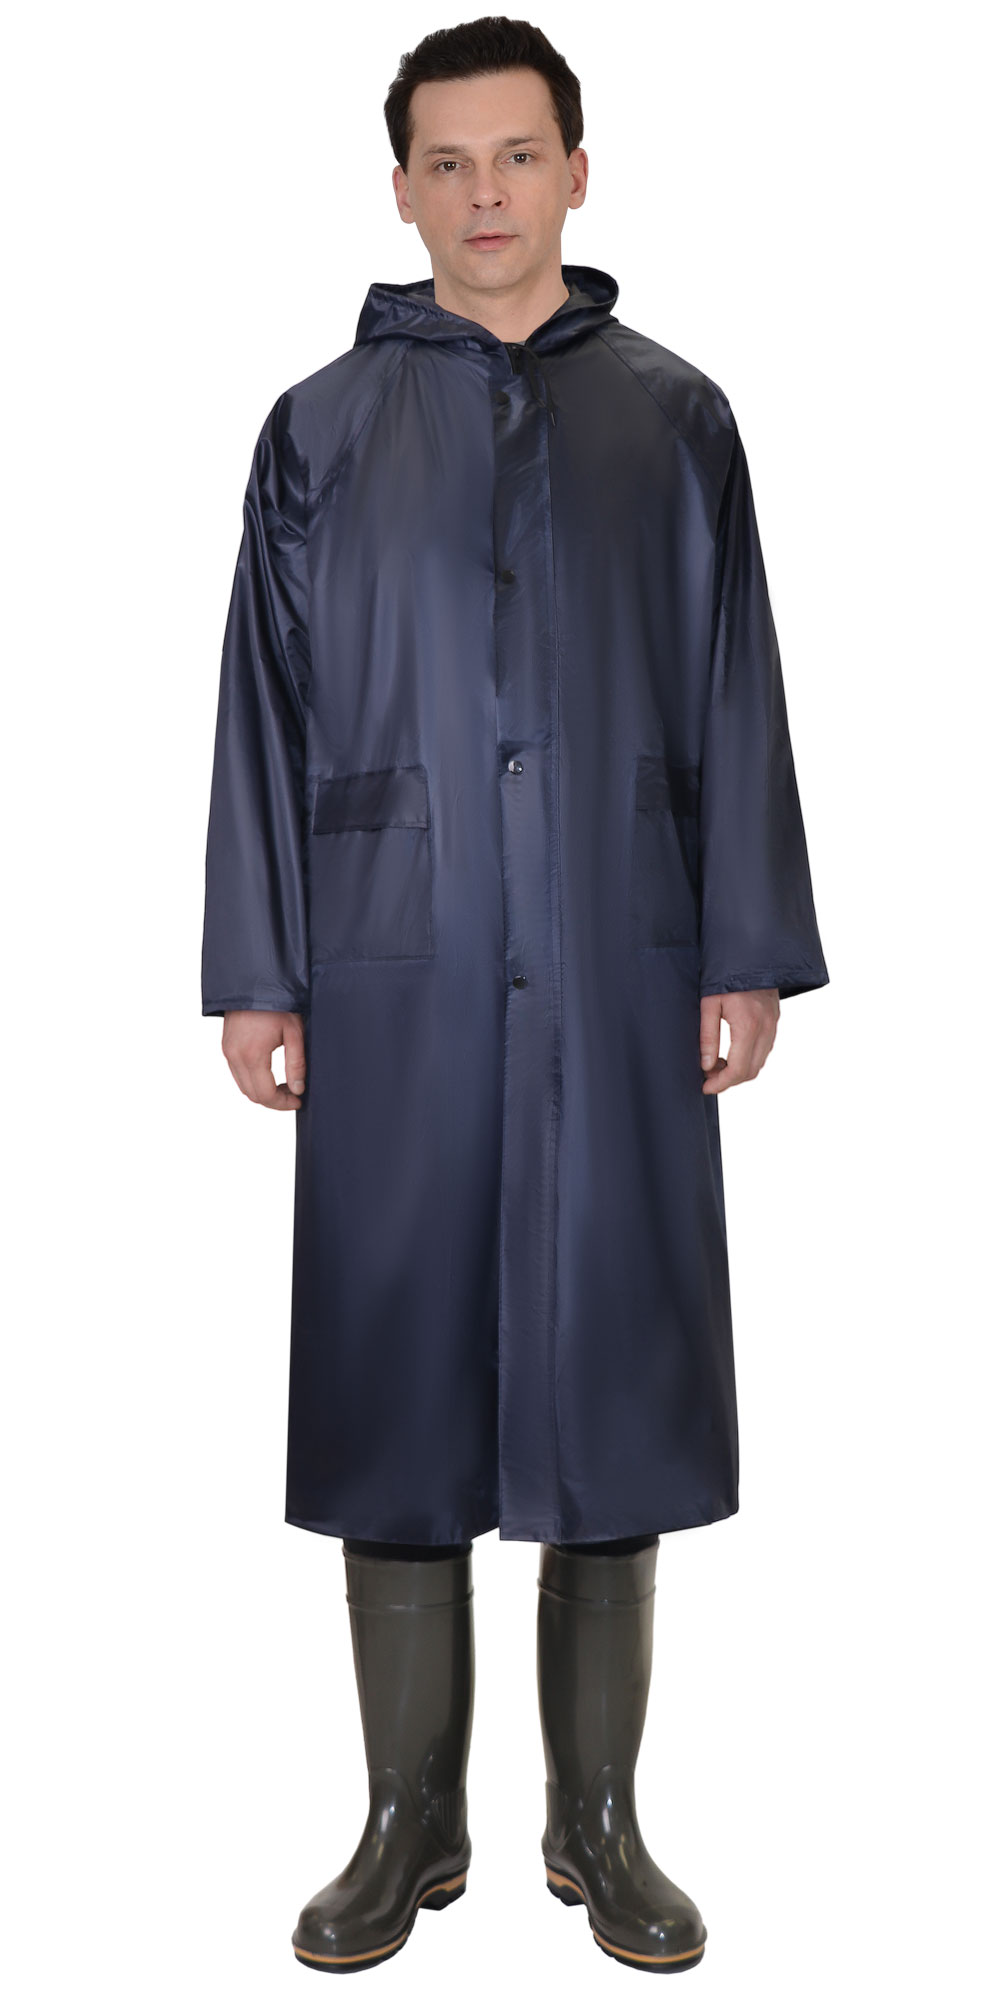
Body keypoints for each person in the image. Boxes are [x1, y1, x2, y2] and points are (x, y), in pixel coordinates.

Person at [201, 15, 829, 1978]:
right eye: (447, 162)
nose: (485, 194)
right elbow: (261, 711)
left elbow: (735, 685)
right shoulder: (315, 430)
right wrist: (258, 965)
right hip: (388, 971)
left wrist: (744, 941)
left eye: (518, 155)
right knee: (394, 1375)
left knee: (607, 1376)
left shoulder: (677, 418)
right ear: (398, 188)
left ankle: (597, 1820)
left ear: (577, 170)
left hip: (623, 964)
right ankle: (409, 1819)